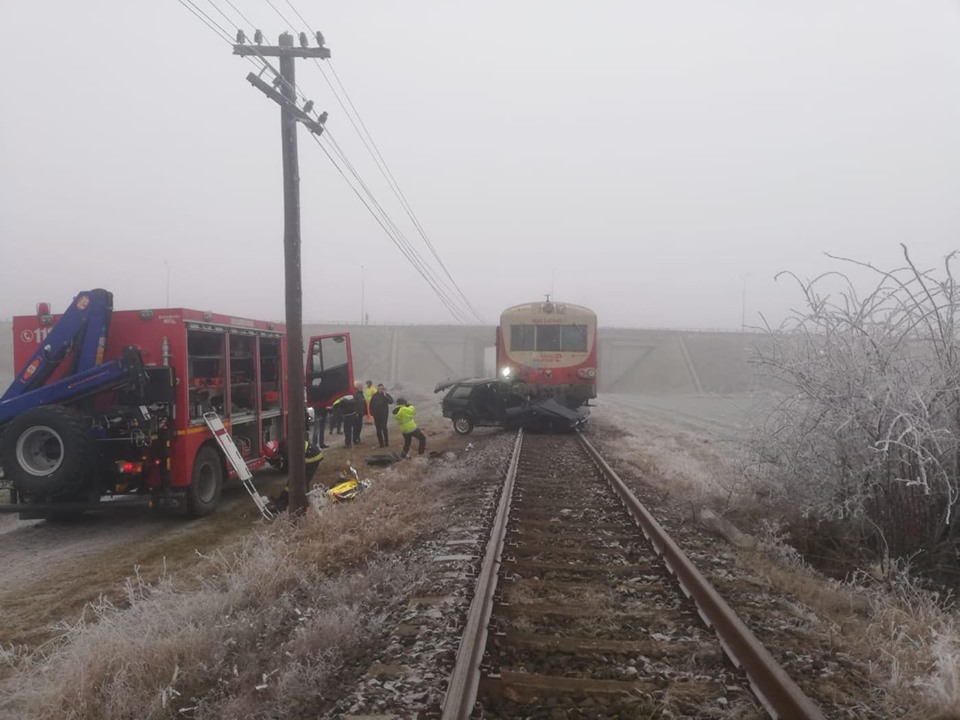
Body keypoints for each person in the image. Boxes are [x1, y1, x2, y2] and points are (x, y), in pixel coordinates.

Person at [369, 383, 394, 448]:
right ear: (377, 389)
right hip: (376, 415)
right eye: (379, 389)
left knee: (384, 427)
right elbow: (371, 405)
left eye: (381, 389)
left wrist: (385, 396)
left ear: (383, 389)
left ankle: (386, 442)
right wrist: (371, 413)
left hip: (384, 414)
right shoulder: (374, 396)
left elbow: (391, 402)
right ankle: (381, 443)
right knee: (378, 429)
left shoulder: (386, 395)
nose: (380, 390)